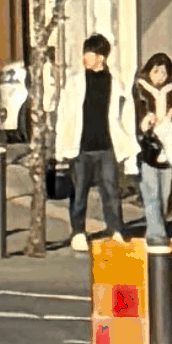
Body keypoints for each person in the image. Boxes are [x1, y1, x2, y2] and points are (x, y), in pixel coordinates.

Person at [68, 32, 122, 240]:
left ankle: (115, 228)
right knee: (79, 191)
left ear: (101, 57)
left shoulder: (113, 82)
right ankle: (78, 231)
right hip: (81, 146)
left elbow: (123, 115)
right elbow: (66, 114)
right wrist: (62, 146)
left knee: (110, 190)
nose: (85, 57)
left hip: (107, 146)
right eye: (85, 52)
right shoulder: (75, 82)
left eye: (89, 53)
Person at [131, 55, 172, 247]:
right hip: (146, 147)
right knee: (151, 192)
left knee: (164, 193)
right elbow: (134, 113)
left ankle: (157, 228)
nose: (160, 76)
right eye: (156, 71)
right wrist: (146, 120)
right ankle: (157, 235)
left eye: (163, 72)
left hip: (168, 148)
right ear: (148, 71)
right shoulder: (139, 89)